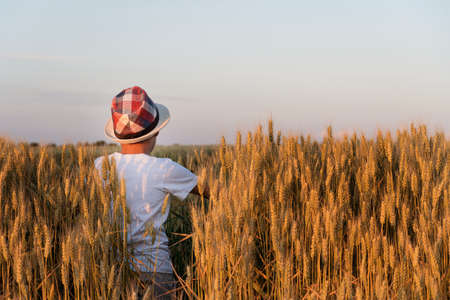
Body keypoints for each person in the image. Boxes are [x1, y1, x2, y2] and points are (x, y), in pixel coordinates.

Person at [94, 86, 207, 299]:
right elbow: (219, 193)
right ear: (155, 132)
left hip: (110, 269)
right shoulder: (165, 168)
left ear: (118, 137)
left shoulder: (99, 166)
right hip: (156, 270)